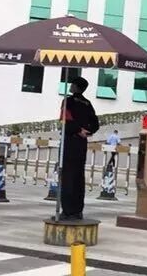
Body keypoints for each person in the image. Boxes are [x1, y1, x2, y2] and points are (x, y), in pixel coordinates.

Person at [59, 76, 98, 220]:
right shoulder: (88, 103)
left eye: (72, 84)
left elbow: (65, 121)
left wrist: (77, 130)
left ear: (75, 87)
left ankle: (67, 211)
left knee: (67, 176)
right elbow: (95, 124)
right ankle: (78, 210)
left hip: (70, 141)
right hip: (82, 144)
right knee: (79, 176)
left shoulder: (68, 101)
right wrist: (87, 131)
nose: (70, 86)